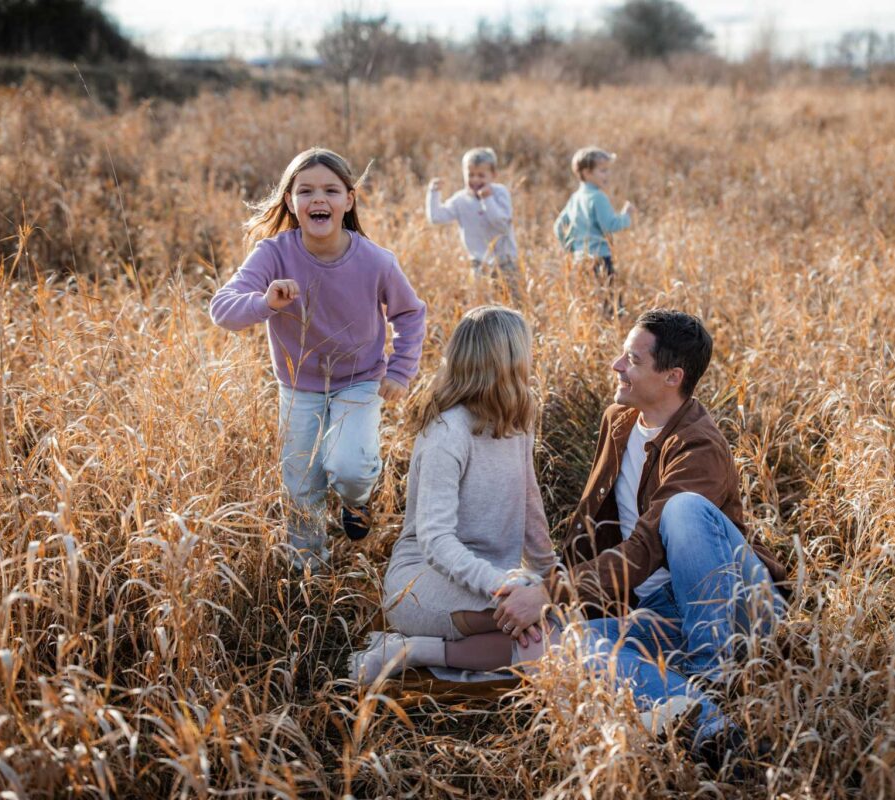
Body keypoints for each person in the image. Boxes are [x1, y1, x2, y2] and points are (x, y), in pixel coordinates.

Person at [493, 309, 789, 756]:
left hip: (737, 607)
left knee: (683, 511)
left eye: (632, 359)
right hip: (664, 611)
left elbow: (645, 547)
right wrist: (547, 585)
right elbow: (594, 518)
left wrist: (552, 593)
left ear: (672, 376)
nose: (617, 366)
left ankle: (715, 674)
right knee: (568, 644)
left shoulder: (698, 446)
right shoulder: (620, 420)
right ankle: (709, 721)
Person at [209, 148, 426, 574]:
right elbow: (222, 308)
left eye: (330, 189)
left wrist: (400, 369)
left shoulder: (375, 261)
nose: (318, 199)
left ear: (350, 199)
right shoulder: (274, 254)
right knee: (301, 485)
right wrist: (264, 301)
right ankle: (310, 571)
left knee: (349, 467)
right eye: (305, 191)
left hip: (360, 380)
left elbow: (410, 313)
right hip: (298, 386)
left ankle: (357, 500)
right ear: (290, 201)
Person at [349, 306, 558, 685]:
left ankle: (410, 652)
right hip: (424, 585)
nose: (531, 361)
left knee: (556, 624)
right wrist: (502, 588)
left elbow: (530, 506)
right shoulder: (448, 432)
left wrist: (550, 580)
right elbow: (435, 540)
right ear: (508, 360)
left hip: (494, 579)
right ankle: (407, 647)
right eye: (526, 352)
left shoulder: (518, 419)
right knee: (547, 630)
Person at [426, 147, 522, 301]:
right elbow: (436, 217)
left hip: (505, 262)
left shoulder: (500, 193)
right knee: (482, 307)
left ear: (493, 175)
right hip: (479, 264)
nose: (475, 180)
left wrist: (487, 200)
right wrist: (433, 193)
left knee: (512, 302)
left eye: (481, 175)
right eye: (471, 175)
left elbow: (502, 225)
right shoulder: (460, 200)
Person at [553, 146, 634, 280]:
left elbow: (558, 227)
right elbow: (609, 225)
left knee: (589, 298)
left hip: (580, 260)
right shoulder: (598, 197)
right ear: (587, 173)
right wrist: (626, 216)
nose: (608, 174)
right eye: (603, 171)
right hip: (600, 259)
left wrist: (571, 248)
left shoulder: (575, 198)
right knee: (610, 299)